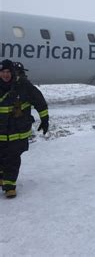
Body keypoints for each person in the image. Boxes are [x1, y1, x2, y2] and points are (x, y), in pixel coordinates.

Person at [0, 59, 49, 198]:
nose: (5, 75)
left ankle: (9, 186)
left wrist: (45, 119)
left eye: (8, 72)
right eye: (2, 72)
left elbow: (39, 101)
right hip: (1, 132)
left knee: (13, 158)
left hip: (17, 132)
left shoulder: (23, 86)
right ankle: (2, 176)